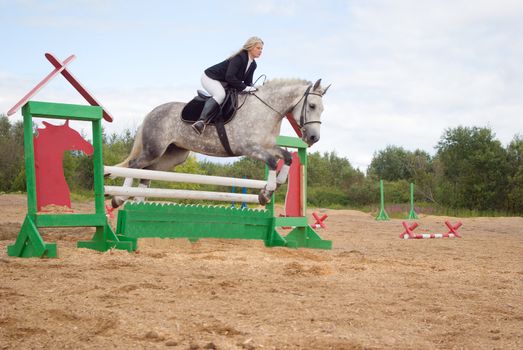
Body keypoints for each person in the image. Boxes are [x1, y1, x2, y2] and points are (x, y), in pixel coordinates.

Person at [192, 36, 264, 134]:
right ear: (251, 47)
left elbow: (248, 83)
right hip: (210, 77)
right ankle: (201, 121)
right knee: (220, 95)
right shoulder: (239, 57)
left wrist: (257, 89)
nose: (260, 51)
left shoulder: (253, 64)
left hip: (223, 81)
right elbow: (230, 77)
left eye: (261, 49)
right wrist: (245, 88)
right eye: (258, 48)